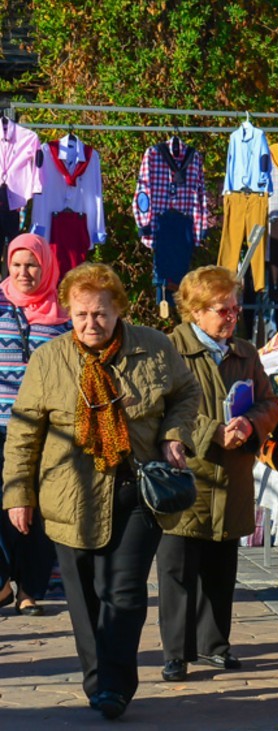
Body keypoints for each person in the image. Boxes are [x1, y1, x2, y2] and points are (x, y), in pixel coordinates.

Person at [2, 263, 200, 720]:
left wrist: (175, 433)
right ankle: (98, 680)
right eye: (81, 315)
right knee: (85, 596)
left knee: (124, 592)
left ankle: (115, 684)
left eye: (100, 314)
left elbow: (185, 393)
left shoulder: (153, 346)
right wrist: (18, 494)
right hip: (68, 495)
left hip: (136, 491)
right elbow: (25, 432)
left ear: (118, 311)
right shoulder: (49, 359)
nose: (91, 324)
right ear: (69, 312)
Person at [158, 266, 278, 683]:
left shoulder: (246, 352)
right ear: (194, 311)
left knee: (220, 565)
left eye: (235, 308)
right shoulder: (169, 350)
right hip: (185, 475)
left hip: (232, 476)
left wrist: (250, 425)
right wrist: (212, 433)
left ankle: (215, 645)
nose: (232, 316)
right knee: (177, 568)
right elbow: (163, 408)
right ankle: (176, 652)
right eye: (222, 310)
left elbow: (270, 403)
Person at [0, 234, 72, 617]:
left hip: (45, 432)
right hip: (0, 424)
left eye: (32, 265)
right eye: (17, 265)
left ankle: (29, 588)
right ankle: (2, 583)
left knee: (38, 512)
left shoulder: (63, 316)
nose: (24, 272)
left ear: (46, 266)